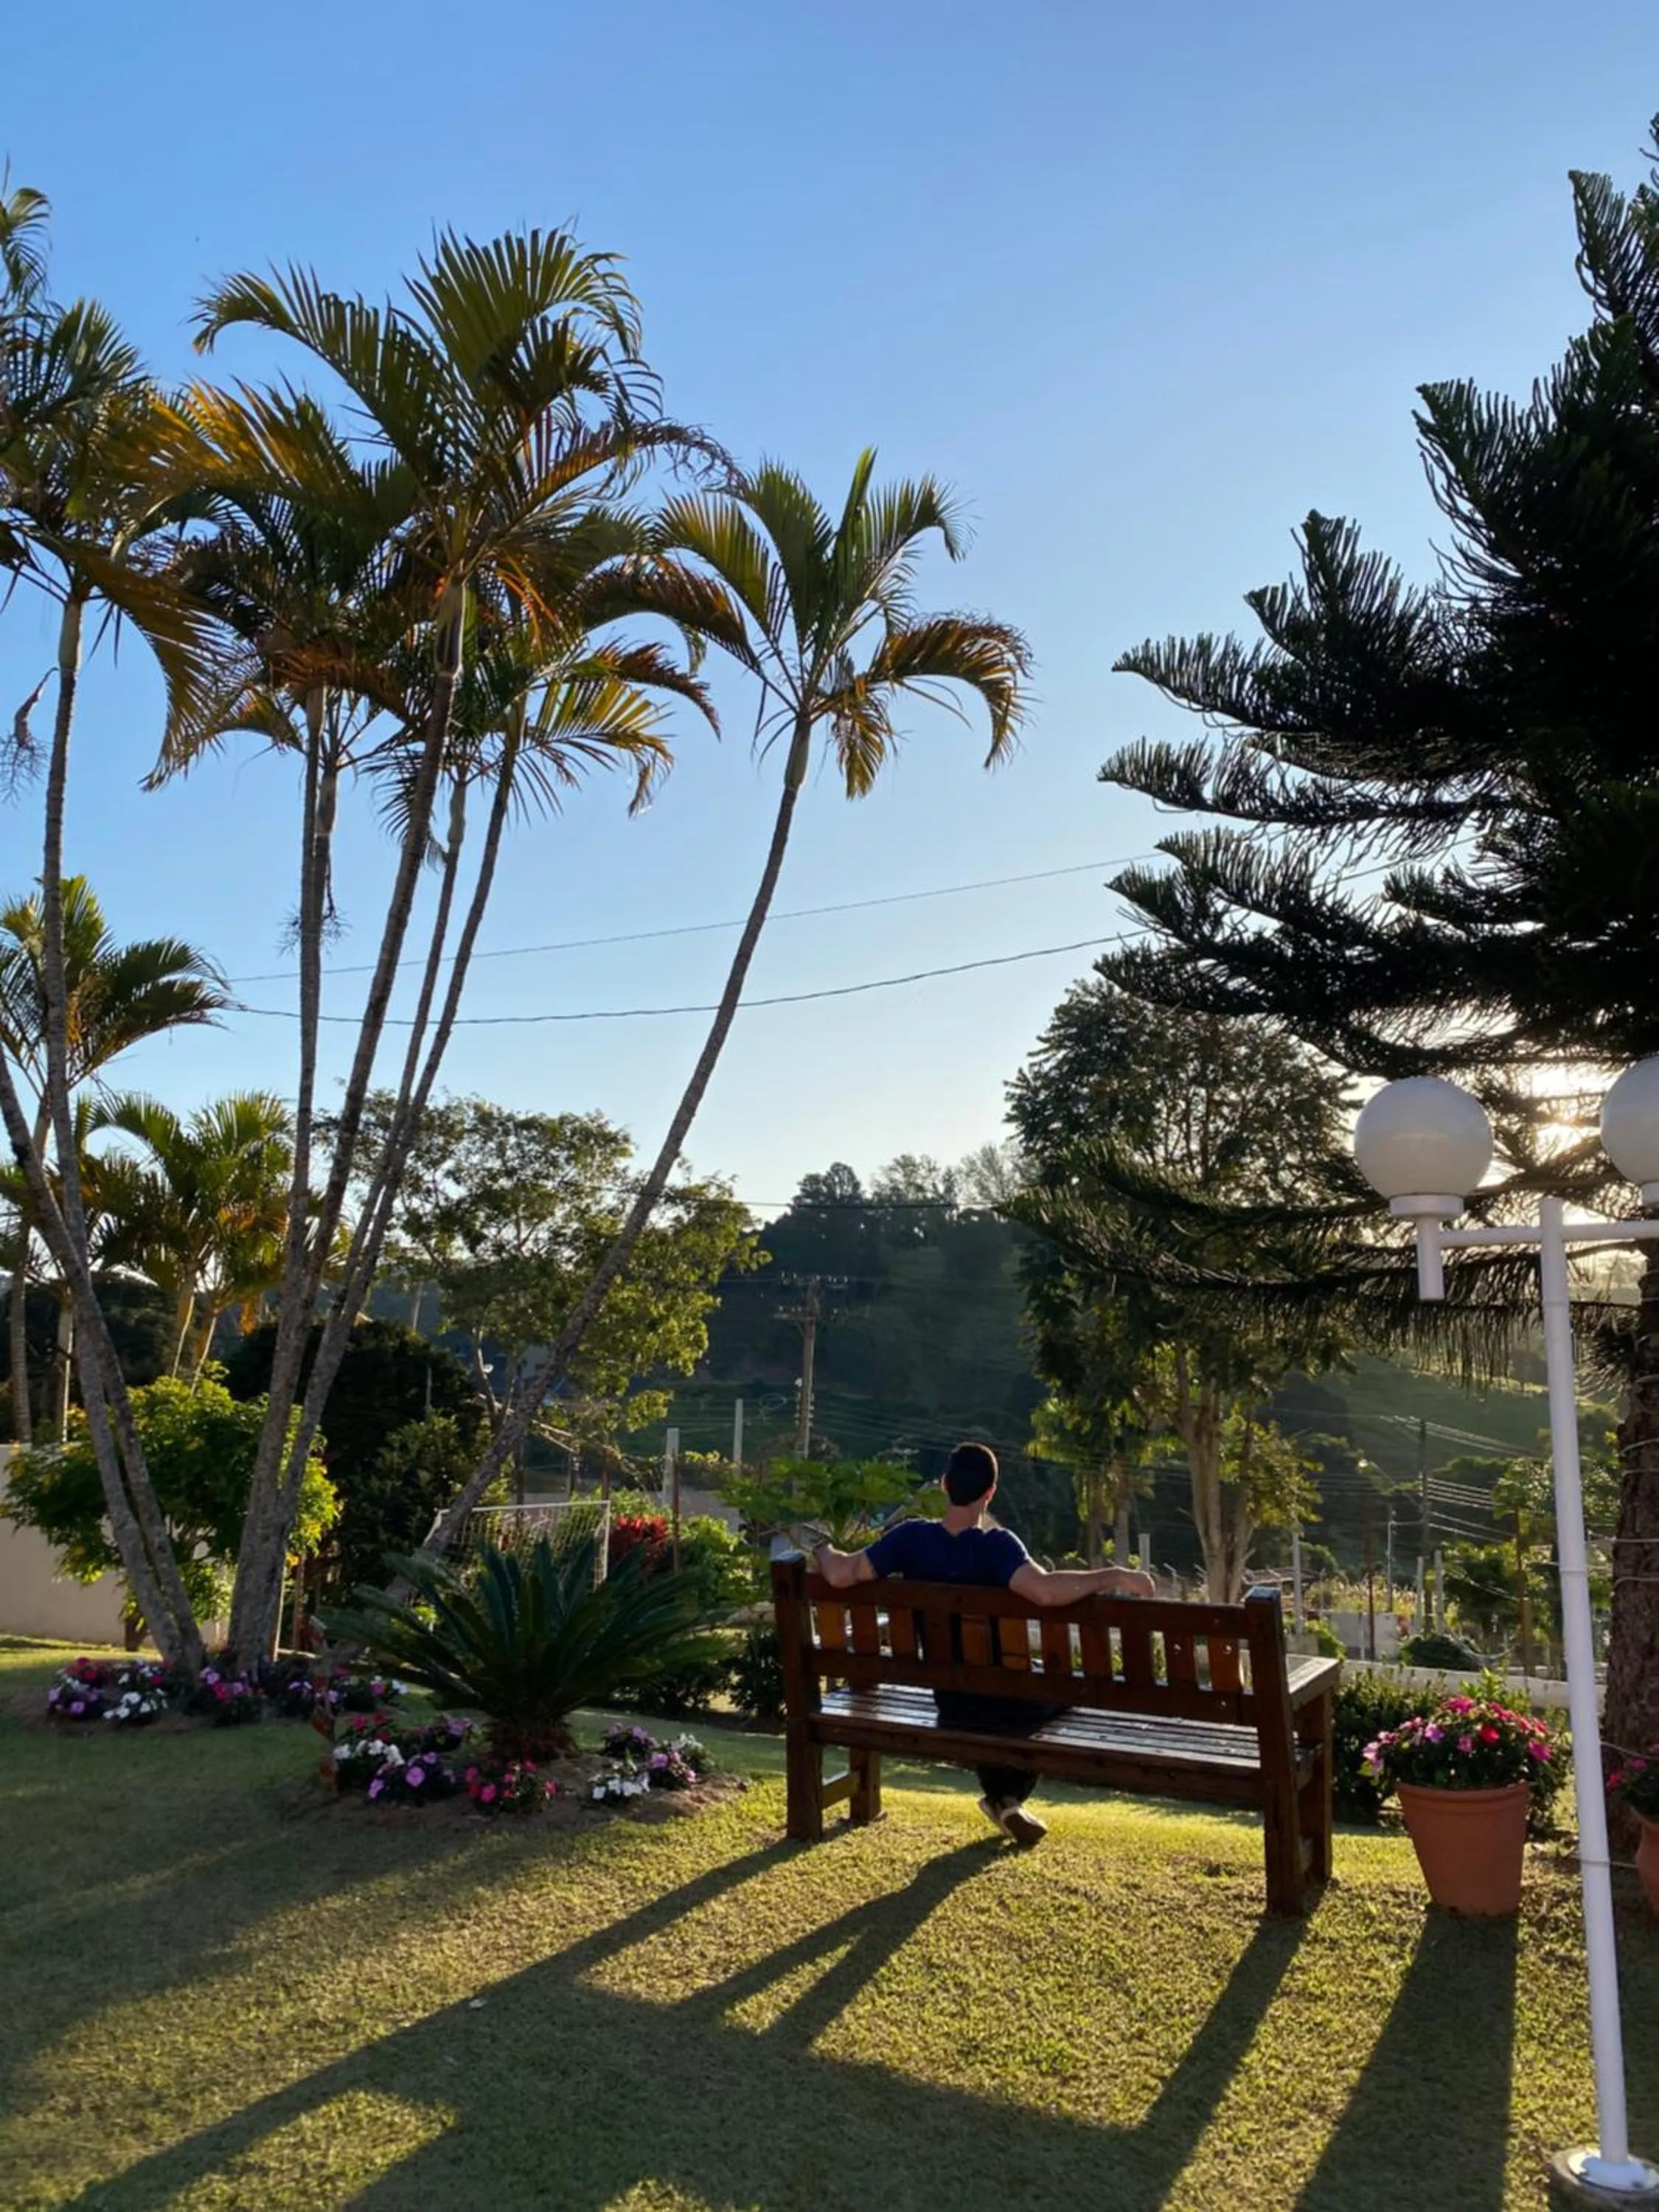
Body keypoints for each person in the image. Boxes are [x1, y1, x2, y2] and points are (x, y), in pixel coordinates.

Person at [813, 1441, 1154, 1849]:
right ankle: (1004, 1798)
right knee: (1060, 1694)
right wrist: (1114, 1575)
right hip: (1004, 1696)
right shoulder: (997, 1547)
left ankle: (1003, 1799)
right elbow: (1045, 1592)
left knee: (989, 1708)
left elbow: (843, 1574)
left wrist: (822, 1549)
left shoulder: (909, 1540)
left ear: (944, 1485)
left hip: (948, 1699)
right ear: (989, 1493)